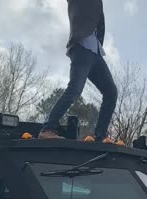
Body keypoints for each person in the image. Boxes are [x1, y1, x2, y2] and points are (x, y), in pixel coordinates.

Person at [38, 0, 118, 142]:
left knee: (111, 92)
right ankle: (48, 129)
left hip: (96, 51)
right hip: (81, 48)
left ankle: (101, 135)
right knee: (75, 89)